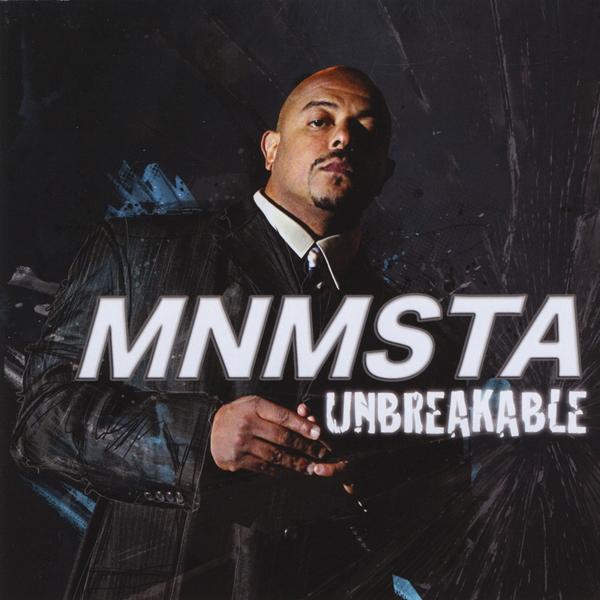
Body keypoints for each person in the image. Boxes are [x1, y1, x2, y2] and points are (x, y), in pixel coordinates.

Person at [11, 66, 463, 600]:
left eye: (365, 130)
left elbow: (443, 544)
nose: (343, 138)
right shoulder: (137, 249)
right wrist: (201, 436)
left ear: (383, 172)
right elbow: (42, 421)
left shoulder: (414, 329)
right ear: (271, 148)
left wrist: (370, 483)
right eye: (320, 120)